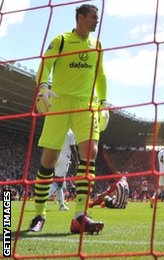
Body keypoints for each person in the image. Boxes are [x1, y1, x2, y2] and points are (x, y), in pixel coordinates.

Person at [28, 4, 108, 234]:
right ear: (80, 17)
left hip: (86, 104)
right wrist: (43, 86)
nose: (97, 20)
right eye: (94, 16)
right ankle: (39, 215)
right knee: (49, 159)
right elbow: (45, 65)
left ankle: (79, 216)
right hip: (60, 102)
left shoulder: (97, 45)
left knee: (90, 152)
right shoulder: (61, 40)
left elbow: (100, 75)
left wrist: (104, 101)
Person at [48, 129, 79, 211]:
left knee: (60, 183)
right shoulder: (71, 133)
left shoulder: (60, 130)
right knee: (58, 180)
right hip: (64, 157)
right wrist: (77, 161)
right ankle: (43, 197)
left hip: (56, 155)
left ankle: (62, 205)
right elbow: (72, 147)